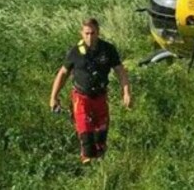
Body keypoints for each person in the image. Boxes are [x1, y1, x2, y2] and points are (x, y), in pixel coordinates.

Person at [49, 18, 132, 164]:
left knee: (101, 136)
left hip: (100, 97)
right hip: (81, 98)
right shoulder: (75, 52)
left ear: (98, 32)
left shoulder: (108, 49)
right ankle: (86, 159)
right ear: (81, 33)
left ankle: (99, 166)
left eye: (93, 33)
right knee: (86, 136)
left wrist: (126, 93)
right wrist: (53, 97)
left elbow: (120, 71)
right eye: (86, 33)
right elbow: (62, 74)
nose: (90, 37)